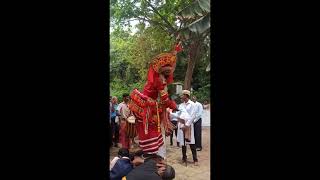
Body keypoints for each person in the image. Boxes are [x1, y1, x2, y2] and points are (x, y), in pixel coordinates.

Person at [127, 43, 182, 158]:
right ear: (164, 71)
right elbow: (165, 99)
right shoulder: (159, 80)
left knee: (154, 128)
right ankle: (151, 153)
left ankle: (151, 151)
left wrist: (175, 52)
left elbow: (173, 64)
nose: (171, 72)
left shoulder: (159, 78)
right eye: (169, 71)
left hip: (150, 104)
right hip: (148, 106)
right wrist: (174, 106)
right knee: (151, 128)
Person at [171, 90, 198, 166]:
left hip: (188, 125)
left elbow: (193, 115)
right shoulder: (181, 105)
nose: (181, 96)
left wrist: (187, 124)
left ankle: (195, 159)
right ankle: (184, 157)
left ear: (186, 95)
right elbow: (178, 114)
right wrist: (170, 114)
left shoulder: (192, 104)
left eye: (182, 95)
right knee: (183, 143)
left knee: (191, 142)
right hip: (181, 124)